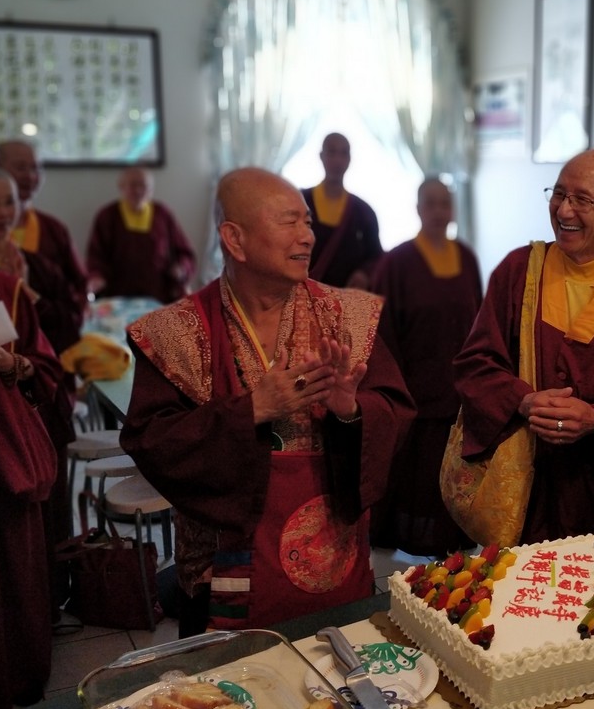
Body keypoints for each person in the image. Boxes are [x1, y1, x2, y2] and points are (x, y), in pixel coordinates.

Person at [119, 168, 415, 635]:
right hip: (225, 567)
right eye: (288, 222)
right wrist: (252, 410)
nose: (307, 236)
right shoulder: (178, 331)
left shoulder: (348, 316)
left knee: (337, 667)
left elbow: (395, 409)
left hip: (333, 556)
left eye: (308, 222)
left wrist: (351, 412)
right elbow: (150, 440)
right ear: (234, 239)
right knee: (234, 679)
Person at [452, 146, 594, 544]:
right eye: (559, 194)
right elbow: (476, 364)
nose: (564, 210)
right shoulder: (518, 272)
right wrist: (523, 400)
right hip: (524, 494)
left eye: (583, 200)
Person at [0, 167, 78, 626]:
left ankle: (48, 605)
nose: (2, 212)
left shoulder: (31, 261)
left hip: (39, 402)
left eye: (8, 201)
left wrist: (27, 294)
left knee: (46, 510)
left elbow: (66, 322)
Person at [370, 178, 483, 557]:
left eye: (444, 204)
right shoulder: (397, 262)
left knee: (454, 474)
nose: (438, 211)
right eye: (430, 203)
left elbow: (479, 321)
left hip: (458, 392)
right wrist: (395, 390)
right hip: (415, 393)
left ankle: (451, 548)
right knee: (415, 476)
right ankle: (406, 551)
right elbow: (384, 332)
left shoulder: (465, 258)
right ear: (418, 209)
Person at [0, 267, 64, 709]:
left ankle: (19, 676)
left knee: (12, 566)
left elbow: (45, 367)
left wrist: (9, 365)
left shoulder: (0, 288)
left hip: (1, 454)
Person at [0, 139, 89, 332]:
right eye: (20, 167)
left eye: (36, 168)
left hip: (50, 332)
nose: (30, 176)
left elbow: (79, 285)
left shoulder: (53, 228)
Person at [86, 167, 197, 303]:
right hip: (117, 296)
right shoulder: (107, 216)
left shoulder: (163, 214)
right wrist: (97, 276)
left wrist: (182, 268)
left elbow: (185, 253)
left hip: (159, 296)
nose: (138, 190)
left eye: (143, 186)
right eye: (133, 185)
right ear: (121, 187)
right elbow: (95, 256)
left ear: (151, 189)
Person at [302, 133, 383, 288]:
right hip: (302, 294)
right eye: (332, 152)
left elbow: (376, 257)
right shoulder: (301, 202)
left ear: (349, 159)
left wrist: (364, 274)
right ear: (321, 156)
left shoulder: (363, 212)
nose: (338, 160)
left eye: (344, 153)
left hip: (346, 298)